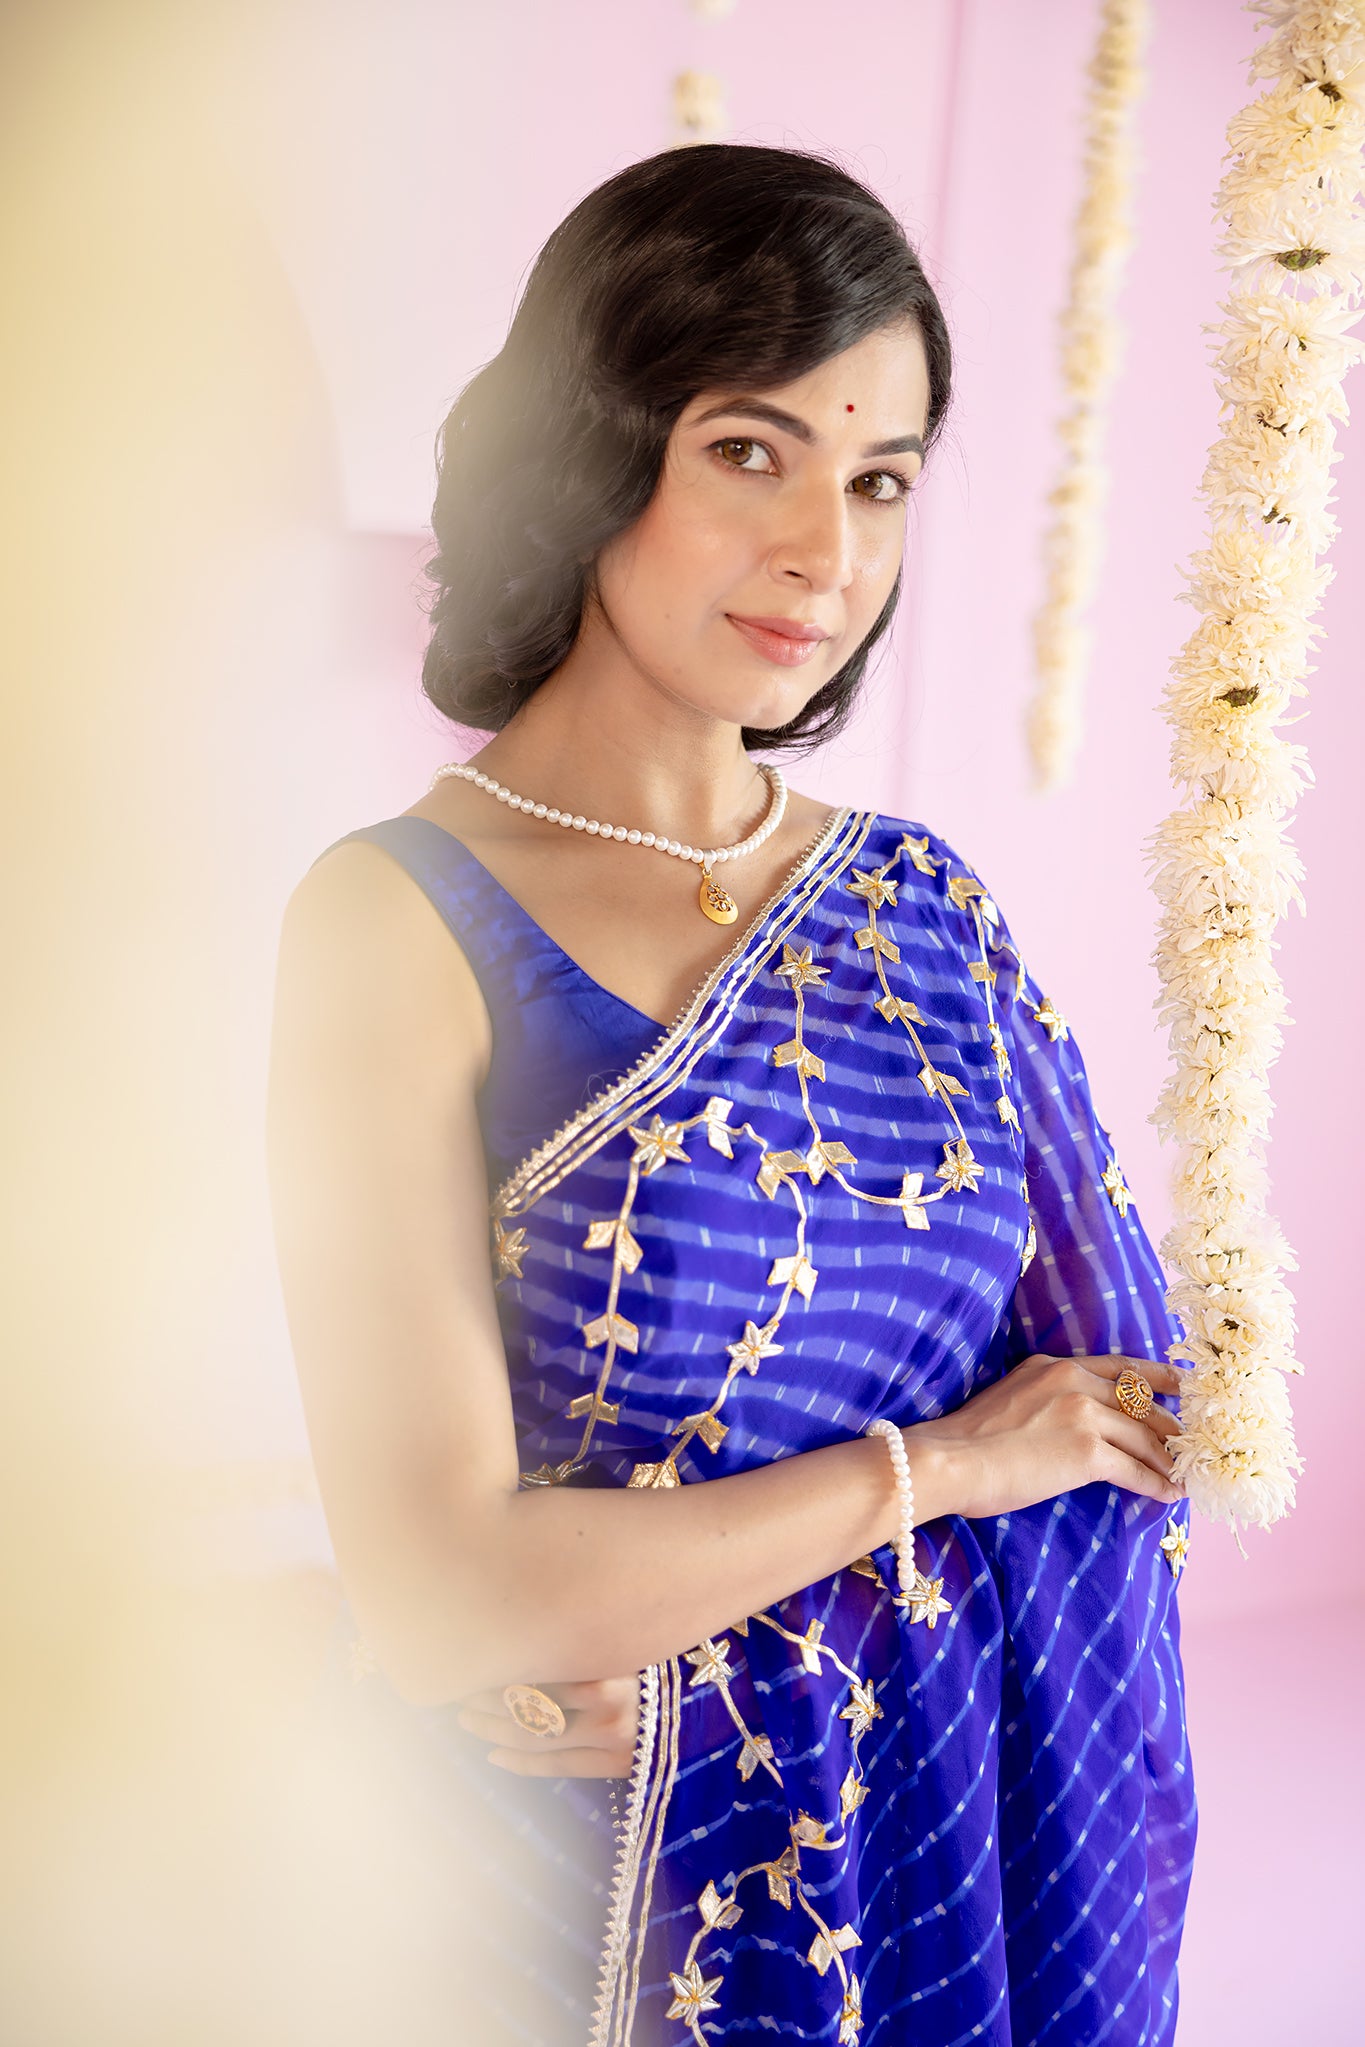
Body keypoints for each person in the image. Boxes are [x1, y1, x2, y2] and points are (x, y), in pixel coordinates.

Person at [266, 143, 1196, 2047]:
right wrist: (952, 1470)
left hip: (910, 1883)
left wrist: (683, 1651)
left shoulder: (923, 911)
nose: (823, 555)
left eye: (878, 480)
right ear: (593, 447)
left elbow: (1125, 1420)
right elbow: (446, 1600)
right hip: (573, 1908)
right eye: (748, 452)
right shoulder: (397, 921)